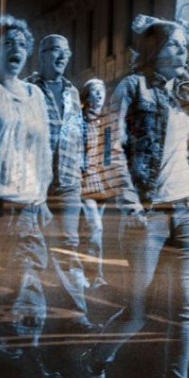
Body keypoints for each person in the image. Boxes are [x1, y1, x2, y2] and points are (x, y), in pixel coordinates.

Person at [82, 15, 189, 378]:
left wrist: (164, 23)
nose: (182, 51)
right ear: (155, 52)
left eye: (180, 45)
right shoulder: (131, 87)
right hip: (148, 213)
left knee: (188, 308)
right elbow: (109, 148)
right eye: (173, 45)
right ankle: (95, 362)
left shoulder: (185, 86)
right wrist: (129, 204)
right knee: (137, 309)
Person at [0, 15, 57, 378]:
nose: (16, 49)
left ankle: (31, 358)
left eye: (21, 44)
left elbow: (44, 149)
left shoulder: (36, 96)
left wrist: (43, 196)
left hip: (27, 206)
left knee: (29, 285)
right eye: (7, 43)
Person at [27, 34, 96, 332]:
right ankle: (32, 317)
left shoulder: (72, 92)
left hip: (68, 181)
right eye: (55, 50)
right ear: (42, 54)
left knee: (68, 245)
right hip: (36, 181)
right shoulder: (30, 90)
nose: (62, 57)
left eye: (66, 52)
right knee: (33, 247)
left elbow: (78, 134)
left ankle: (76, 314)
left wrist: (81, 171)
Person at [80, 78, 111, 291]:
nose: (99, 94)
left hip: (102, 183)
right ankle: (89, 274)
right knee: (94, 229)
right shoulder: (80, 122)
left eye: (102, 91)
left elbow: (109, 156)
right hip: (84, 182)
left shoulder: (107, 123)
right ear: (86, 97)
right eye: (94, 91)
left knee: (94, 232)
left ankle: (94, 274)